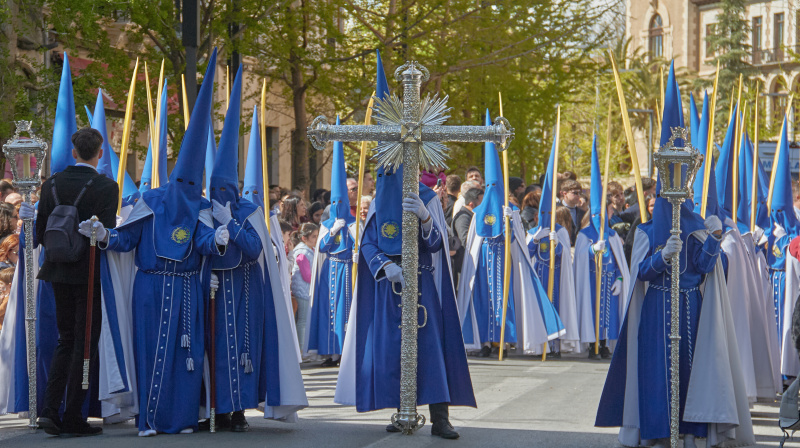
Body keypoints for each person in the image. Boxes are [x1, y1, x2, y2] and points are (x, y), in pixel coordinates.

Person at [596, 63, 753, 448]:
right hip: (656, 309)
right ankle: (656, 430)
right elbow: (641, 277)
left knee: (690, 371)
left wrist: (714, 238)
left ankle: (691, 429)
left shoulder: (697, 225)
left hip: (692, 307)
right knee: (655, 370)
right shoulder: (648, 230)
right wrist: (663, 256)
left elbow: (704, 270)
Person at [335, 53, 474, 439]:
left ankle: (441, 416)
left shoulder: (427, 197)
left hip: (424, 281)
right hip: (390, 283)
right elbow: (367, 243)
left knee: (431, 347)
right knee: (394, 347)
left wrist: (428, 218)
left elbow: (439, 243)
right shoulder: (379, 200)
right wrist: (385, 264)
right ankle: (402, 410)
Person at [92, 51, 229, 436]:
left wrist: (216, 239)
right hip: (151, 288)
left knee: (186, 356)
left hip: (186, 289)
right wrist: (106, 236)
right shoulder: (149, 204)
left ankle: (183, 418)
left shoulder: (198, 206)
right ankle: (149, 419)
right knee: (152, 354)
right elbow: (125, 239)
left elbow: (201, 241)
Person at [207, 67, 307, 431]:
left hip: (246, 294)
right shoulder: (206, 210)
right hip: (214, 294)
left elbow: (252, 249)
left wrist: (229, 222)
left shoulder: (249, 213)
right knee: (215, 354)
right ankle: (216, 409)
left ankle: (238, 410)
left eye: (224, 190)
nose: (219, 197)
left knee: (242, 354)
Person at [27, 127, 119, 437]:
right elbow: (105, 232)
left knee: (65, 340)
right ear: (100, 152)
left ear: (74, 151)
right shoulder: (107, 186)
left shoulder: (51, 183)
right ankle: (74, 415)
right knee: (85, 342)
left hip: (56, 269)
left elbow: (40, 234)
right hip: (87, 270)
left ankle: (51, 410)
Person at [457, 112, 564, 359]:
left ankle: (503, 341)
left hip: (506, 264)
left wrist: (511, 221)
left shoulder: (511, 210)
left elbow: (519, 239)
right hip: (483, 267)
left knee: (506, 301)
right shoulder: (477, 213)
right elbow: (474, 240)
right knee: (483, 303)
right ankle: (484, 341)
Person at [574, 136, 629, 360]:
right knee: (592, 312)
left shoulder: (614, 235)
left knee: (609, 316)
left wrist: (620, 279)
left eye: (606, 212)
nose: (603, 217)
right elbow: (579, 260)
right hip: (591, 281)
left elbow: (620, 263)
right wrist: (592, 250)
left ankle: (605, 344)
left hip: (609, 281)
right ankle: (592, 344)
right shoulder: (584, 235)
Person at [305, 129, 356, 368]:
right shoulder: (327, 224)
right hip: (331, 271)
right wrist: (334, 230)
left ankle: (346, 350)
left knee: (347, 310)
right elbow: (323, 247)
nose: (337, 206)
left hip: (349, 270)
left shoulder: (356, 223)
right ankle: (329, 351)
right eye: (334, 202)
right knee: (329, 311)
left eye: (341, 202)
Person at [528, 144, 579, 358]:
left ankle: (556, 344)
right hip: (538, 276)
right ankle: (541, 344)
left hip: (556, 275)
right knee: (539, 307)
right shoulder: (532, 231)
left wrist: (556, 243)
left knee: (557, 305)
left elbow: (565, 256)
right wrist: (534, 240)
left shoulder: (561, 231)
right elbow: (526, 256)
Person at [291, 223, 318, 357]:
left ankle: (303, 348)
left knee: (303, 320)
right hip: (302, 290)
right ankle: (301, 350)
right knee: (302, 320)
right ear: (304, 238)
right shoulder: (302, 252)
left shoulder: (308, 250)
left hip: (304, 290)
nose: (316, 239)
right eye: (313, 236)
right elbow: (307, 275)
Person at [451, 187, 482, 282]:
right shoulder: (463, 217)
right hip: (465, 272)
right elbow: (466, 241)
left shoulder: (471, 216)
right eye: (482, 203)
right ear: (471, 204)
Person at [557, 179, 584, 245]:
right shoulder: (556, 210)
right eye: (575, 193)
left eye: (579, 193)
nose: (578, 195)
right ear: (564, 193)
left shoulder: (582, 213)